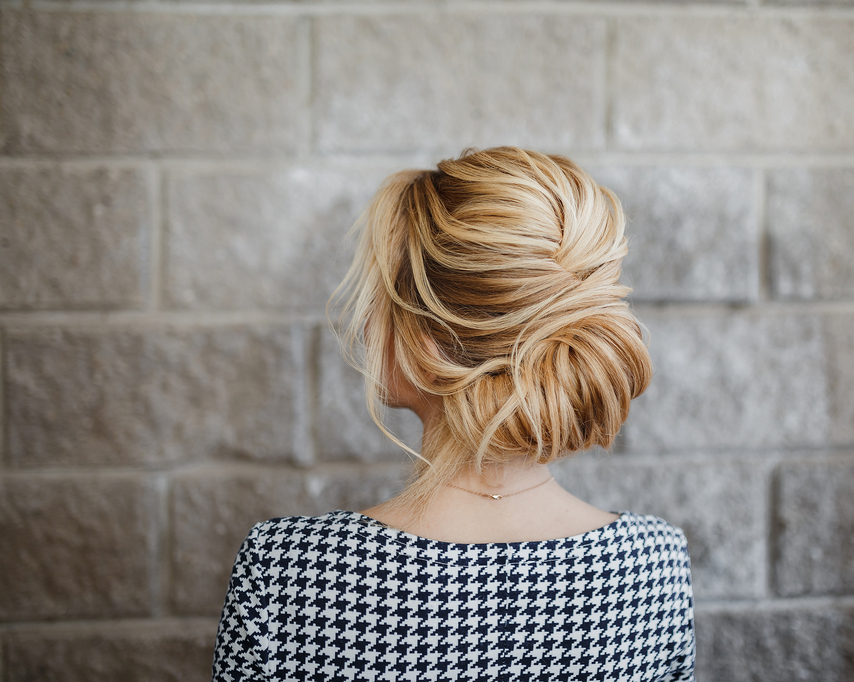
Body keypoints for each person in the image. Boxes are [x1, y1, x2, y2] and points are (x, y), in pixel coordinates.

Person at [212, 147, 696, 681]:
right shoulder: (651, 569)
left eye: (378, 297)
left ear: (430, 342)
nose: (367, 325)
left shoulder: (289, 573)